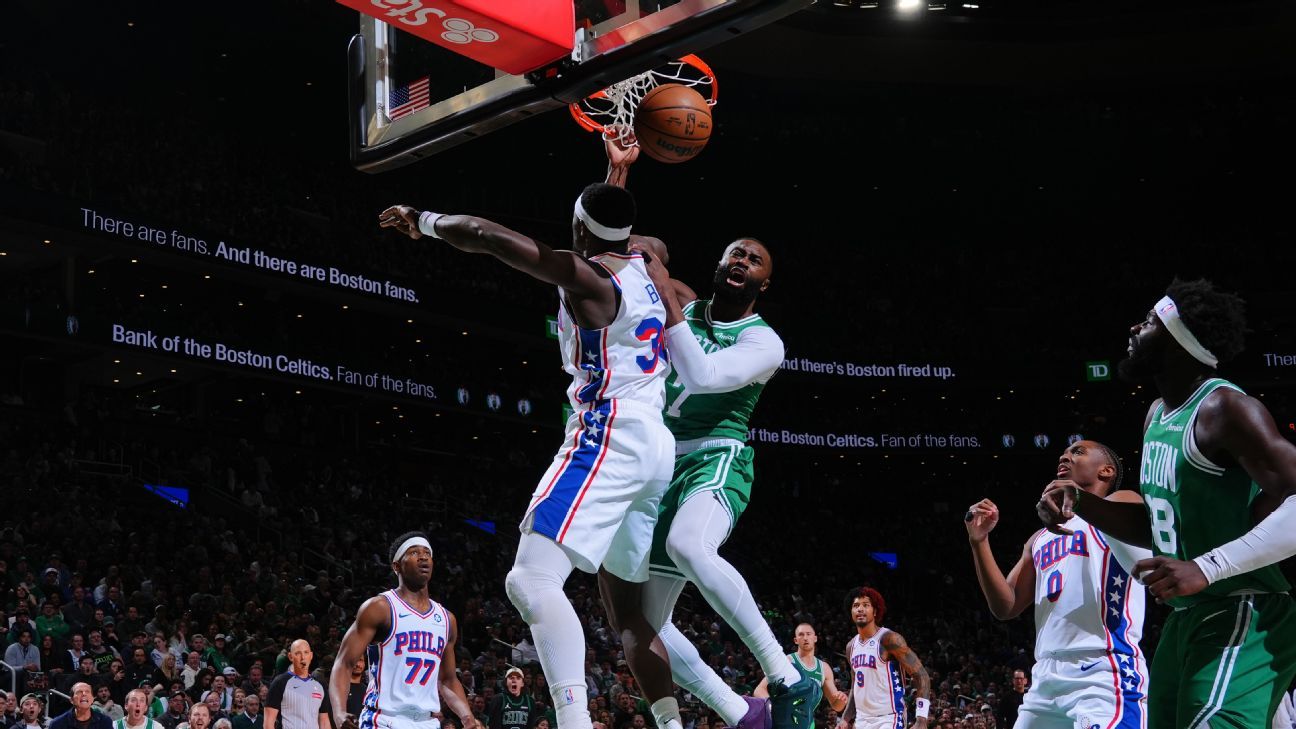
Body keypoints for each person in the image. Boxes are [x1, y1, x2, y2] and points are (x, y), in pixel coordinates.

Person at [379, 178, 679, 729]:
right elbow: (608, 227)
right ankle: (671, 722)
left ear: (578, 229)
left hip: (608, 433)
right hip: (657, 445)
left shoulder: (587, 276)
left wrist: (421, 220)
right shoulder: (647, 262)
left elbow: (484, 235)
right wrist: (616, 176)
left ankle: (574, 721)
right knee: (629, 612)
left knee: (530, 580)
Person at [1038, 279, 1296, 729]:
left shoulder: (1227, 408)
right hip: (1188, 618)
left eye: (1152, 321)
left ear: (1181, 341)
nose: (1137, 327)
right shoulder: (1157, 413)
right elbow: (1161, 525)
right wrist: (1081, 503)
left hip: (1244, 607)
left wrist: (1206, 566)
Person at [604, 135, 795, 729]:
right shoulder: (683, 299)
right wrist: (618, 174)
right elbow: (607, 249)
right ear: (716, 265)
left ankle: (786, 673)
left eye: (753, 259)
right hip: (660, 461)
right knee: (648, 626)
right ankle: (741, 713)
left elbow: (704, 374)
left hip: (718, 458)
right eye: (734, 252)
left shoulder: (765, 341)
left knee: (691, 545)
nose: (741, 260)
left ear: (764, 284)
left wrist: (666, 300)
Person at [967, 440, 1150, 728]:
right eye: (1064, 453)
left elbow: (1144, 538)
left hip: (1102, 668)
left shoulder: (1120, 505)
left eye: (1078, 452)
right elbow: (1006, 606)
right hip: (1045, 675)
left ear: (1107, 471)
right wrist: (979, 542)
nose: (1065, 456)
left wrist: (1079, 502)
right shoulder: (1039, 538)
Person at [327, 533, 477, 729]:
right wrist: (339, 712)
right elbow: (344, 663)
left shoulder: (447, 619)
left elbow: (447, 679)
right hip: (383, 719)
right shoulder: (380, 608)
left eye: (427, 553)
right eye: (414, 552)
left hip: (427, 722)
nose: (423, 557)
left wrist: (467, 717)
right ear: (396, 566)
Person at [838, 588, 931, 729]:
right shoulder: (851, 646)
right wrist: (845, 718)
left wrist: (922, 719)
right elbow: (855, 686)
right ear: (851, 612)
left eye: (866, 605)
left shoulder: (889, 639)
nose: (860, 609)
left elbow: (921, 675)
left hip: (889, 718)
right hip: (862, 720)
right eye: (856, 606)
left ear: (875, 611)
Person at [753, 625, 849, 729]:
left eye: (808, 634)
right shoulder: (787, 661)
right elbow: (759, 690)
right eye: (801, 635)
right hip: (783, 721)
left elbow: (836, 705)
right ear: (796, 640)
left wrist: (841, 699)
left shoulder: (824, 668)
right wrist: (772, 707)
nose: (805, 638)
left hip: (807, 723)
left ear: (815, 638)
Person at [49, 683, 113, 729]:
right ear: (71, 700)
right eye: (79, 692)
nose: (84, 694)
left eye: (87, 692)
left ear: (92, 699)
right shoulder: (57, 724)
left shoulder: (105, 721)